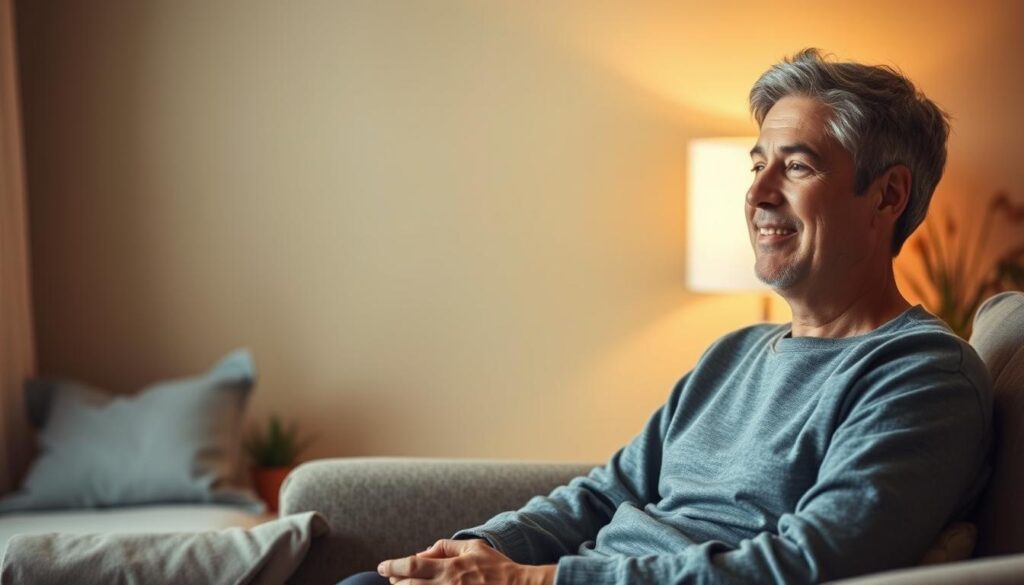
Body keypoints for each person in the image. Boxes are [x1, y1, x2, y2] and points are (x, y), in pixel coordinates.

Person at [343, 49, 993, 585]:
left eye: (796, 165)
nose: (758, 193)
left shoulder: (922, 375)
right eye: (758, 163)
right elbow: (602, 494)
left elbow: (806, 562)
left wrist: (529, 579)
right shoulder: (733, 353)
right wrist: (469, 551)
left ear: (889, 194)